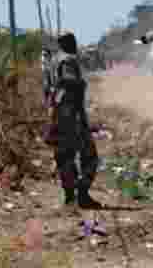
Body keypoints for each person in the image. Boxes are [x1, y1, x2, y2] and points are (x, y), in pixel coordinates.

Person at [49, 31, 102, 209]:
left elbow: (53, 88)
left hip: (57, 114)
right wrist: (80, 85)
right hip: (71, 115)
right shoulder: (68, 60)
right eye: (72, 41)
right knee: (90, 156)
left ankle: (70, 196)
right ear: (69, 43)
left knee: (65, 156)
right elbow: (69, 82)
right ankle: (82, 194)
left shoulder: (53, 60)